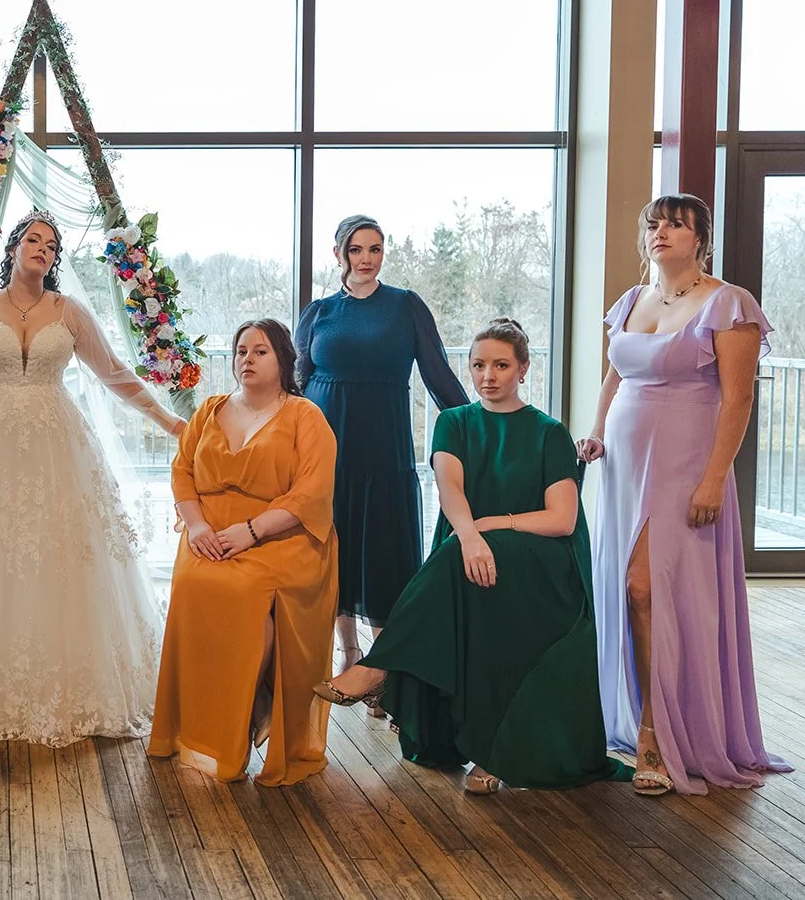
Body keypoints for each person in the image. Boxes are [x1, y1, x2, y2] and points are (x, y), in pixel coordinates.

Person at [0, 210, 188, 747]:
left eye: (51, 243)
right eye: (33, 239)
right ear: (14, 246)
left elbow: (114, 373)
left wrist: (171, 420)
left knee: (60, 552)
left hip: (54, 444)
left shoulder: (69, 313)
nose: (42, 248)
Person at [317, 319, 624, 794]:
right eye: (478, 365)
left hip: (543, 567)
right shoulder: (454, 422)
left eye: (501, 365)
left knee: (463, 556)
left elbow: (561, 520)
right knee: (460, 556)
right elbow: (451, 491)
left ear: (523, 368)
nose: (488, 375)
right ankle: (486, 748)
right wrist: (471, 536)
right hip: (468, 557)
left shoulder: (548, 432)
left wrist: (491, 527)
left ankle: (380, 667)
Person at [579, 194, 791, 796]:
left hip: (684, 465)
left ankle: (656, 732)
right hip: (624, 464)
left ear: (701, 237)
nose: (661, 232)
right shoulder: (632, 300)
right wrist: (596, 431)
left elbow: (739, 398)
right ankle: (630, 715)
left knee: (647, 587)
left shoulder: (728, 303)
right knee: (623, 587)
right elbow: (616, 374)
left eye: (675, 224)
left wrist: (714, 477)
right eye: (653, 223)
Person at [149, 319, 338, 786]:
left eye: (260, 352)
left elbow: (311, 493)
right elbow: (182, 472)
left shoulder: (304, 416)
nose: (247, 360)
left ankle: (255, 701)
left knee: (246, 590)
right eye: (240, 351)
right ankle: (219, 723)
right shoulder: (210, 411)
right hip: (208, 532)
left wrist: (251, 531)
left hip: (279, 535)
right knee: (197, 581)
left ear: (283, 361)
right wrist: (195, 526)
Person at [295, 215, 467, 705]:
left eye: (375, 249)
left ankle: (385, 663)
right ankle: (347, 654)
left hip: (384, 445)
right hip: (327, 449)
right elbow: (298, 382)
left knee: (384, 550)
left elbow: (437, 373)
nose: (367, 259)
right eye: (356, 250)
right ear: (339, 256)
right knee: (335, 547)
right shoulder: (318, 312)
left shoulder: (405, 306)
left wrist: (474, 427)